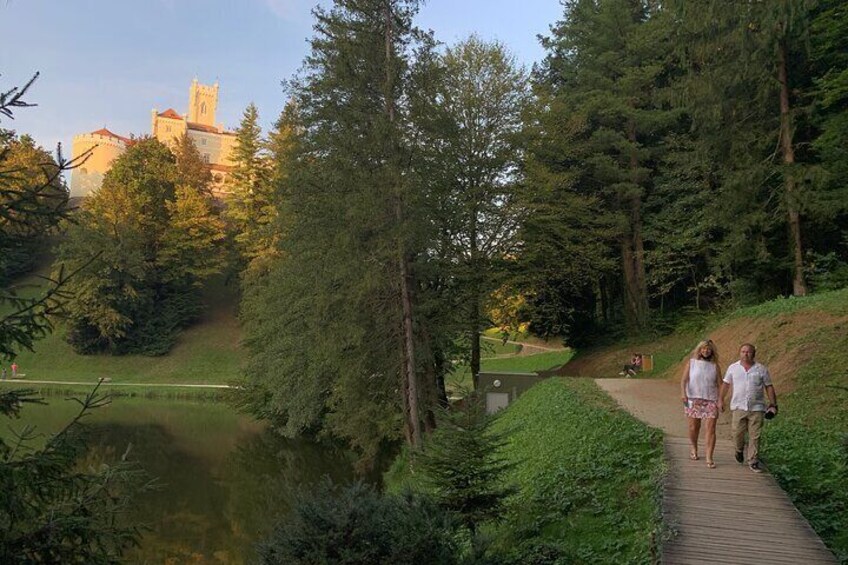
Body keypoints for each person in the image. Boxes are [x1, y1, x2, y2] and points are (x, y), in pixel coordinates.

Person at [720, 343, 778, 473]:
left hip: (756, 407)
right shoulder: (733, 368)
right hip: (739, 406)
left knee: (755, 435)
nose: (745, 354)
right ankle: (739, 449)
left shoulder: (761, 369)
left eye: (748, 352)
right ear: (739, 353)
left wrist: (773, 403)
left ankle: (753, 460)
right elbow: (725, 384)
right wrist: (720, 400)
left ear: (753, 354)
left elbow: (769, 386)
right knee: (737, 433)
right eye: (743, 351)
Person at [681, 339, 722, 468]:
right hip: (693, 399)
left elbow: (721, 385)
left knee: (710, 428)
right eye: (703, 348)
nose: (706, 351)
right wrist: (683, 394)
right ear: (699, 350)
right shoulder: (691, 363)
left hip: (711, 399)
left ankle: (709, 456)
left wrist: (721, 400)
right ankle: (694, 447)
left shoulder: (715, 366)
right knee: (694, 427)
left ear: (712, 351)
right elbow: (684, 380)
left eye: (708, 349)